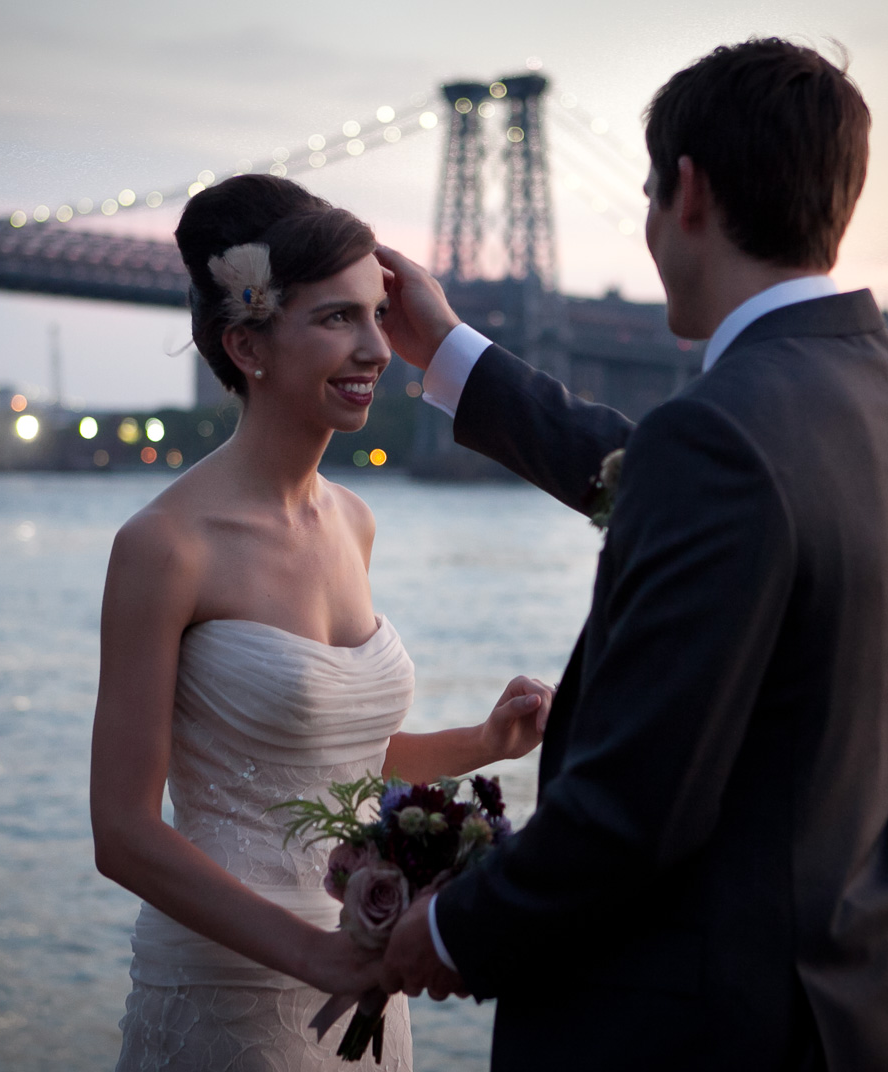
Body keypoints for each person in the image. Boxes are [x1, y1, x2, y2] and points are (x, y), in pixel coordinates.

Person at [378, 39, 888, 1071]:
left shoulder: (723, 437)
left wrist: (443, 930)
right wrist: (451, 353)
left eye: (650, 192)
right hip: (872, 1007)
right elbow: (654, 474)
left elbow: (630, 815)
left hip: (710, 1030)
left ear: (686, 191)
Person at [88, 173, 553, 1072]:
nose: (379, 348)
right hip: (230, 1000)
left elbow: (325, 754)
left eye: (379, 316)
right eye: (339, 318)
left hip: (363, 987)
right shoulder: (165, 546)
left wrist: (484, 741)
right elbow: (123, 833)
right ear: (247, 345)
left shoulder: (353, 522)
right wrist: (314, 954)